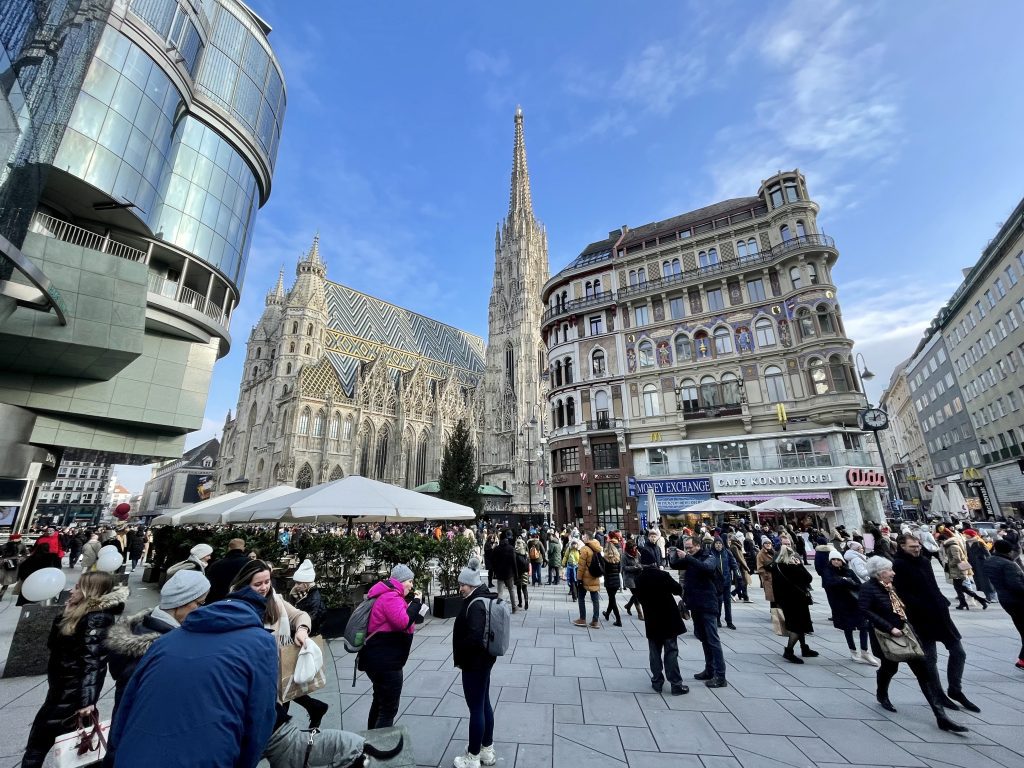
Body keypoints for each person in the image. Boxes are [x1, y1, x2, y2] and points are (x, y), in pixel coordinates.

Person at [105, 584, 278, 767]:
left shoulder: (166, 640)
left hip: (135, 754)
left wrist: (114, 754)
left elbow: (127, 702)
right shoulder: (262, 642)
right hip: (208, 757)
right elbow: (260, 716)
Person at [22, 572, 128, 768]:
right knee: (68, 744)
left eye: (78, 587)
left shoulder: (96, 618)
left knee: (38, 744)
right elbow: (53, 645)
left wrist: (87, 701)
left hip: (72, 693)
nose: (72, 590)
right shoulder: (81, 613)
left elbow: (93, 662)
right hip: (61, 689)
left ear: (91, 591)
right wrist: (64, 615)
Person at [858, 556, 968, 733]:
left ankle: (941, 716)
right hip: (885, 637)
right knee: (889, 668)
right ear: (879, 573)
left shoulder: (891, 588)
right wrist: (889, 627)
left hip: (906, 634)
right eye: (889, 570)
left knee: (923, 673)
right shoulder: (868, 588)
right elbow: (864, 609)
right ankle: (882, 694)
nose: (893, 573)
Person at [230, 560, 328, 729]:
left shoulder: (275, 600)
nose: (264, 587)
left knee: (277, 717)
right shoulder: (234, 606)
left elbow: (299, 615)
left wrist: (302, 629)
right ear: (245, 584)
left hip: (278, 667)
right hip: (253, 674)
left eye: (267, 582)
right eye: (258, 584)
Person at [892, 533, 980, 713]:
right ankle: (938, 693)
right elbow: (902, 593)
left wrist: (942, 601)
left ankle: (955, 689)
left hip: (940, 613)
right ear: (902, 546)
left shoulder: (924, 561)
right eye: (912, 547)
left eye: (917, 546)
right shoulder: (898, 565)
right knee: (930, 658)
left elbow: (933, 585)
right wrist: (917, 607)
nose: (916, 549)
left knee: (958, 652)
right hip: (920, 617)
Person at [105, 570, 210, 715]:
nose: (201, 609)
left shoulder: (143, 627)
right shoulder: (161, 645)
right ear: (181, 601)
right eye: (199, 603)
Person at [359, 564, 425, 730]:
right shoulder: (390, 597)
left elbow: (398, 620)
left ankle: (371, 743)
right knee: (388, 708)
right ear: (401, 581)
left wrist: (413, 611)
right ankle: (379, 750)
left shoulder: (389, 595)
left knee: (380, 701)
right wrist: (416, 603)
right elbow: (403, 622)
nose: (411, 585)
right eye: (409, 581)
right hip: (386, 661)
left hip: (381, 658)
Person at [452, 557, 497, 768]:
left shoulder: (476, 604)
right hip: (484, 662)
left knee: (476, 709)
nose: (460, 588)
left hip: (474, 664)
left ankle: (472, 757)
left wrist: (461, 652)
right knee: (484, 704)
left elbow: (474, 638)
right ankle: (487, 750)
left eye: (463, 584)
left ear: (473, 585)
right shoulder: (482, 597)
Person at [672, 536, 727, 687]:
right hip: (695, 604)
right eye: (686, 547)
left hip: (708, 604)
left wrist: (688, 557)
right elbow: (674, 564)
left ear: (698, 545)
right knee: (703, 638)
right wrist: (672, 553)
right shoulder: (692, 558)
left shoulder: (709, 557)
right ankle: (709, 670)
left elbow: (707, 568)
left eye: (690, 547)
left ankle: (720, 676)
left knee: (713, 640)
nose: (688, 550)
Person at [632, 547, 687, 695]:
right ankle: (676, 684)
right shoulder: (663, 575)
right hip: (668, 618)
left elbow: (640, 598)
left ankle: (657, 681)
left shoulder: (639, 579)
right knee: (671, 651)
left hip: (652, 620)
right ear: (654, 563)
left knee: (654, 652)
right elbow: (677, 590)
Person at [821, 549, 878, 666]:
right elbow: (829, 584)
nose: (836, 562)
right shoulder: (827, 572)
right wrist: (844, 581)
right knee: (848, 628)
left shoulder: (849, 571)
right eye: (834, 560)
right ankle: (853, 651)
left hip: (855, 603)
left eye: (838, 560)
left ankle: (865, 651)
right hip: (840, 605)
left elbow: (858, 585)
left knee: (863, 626)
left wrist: (846, 581)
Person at [771, 545, 817, 663]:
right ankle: (789, 651)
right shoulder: (792, 568)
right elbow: (808, 578)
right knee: (798, 626)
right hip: (797, 601)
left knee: (799, 625)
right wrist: (800, 565)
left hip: (785, 601)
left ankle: (804, 647)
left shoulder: (776, 567)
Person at [983, 539, 1024, 669]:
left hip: (1005, 600)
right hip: (1018, 601)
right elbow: (1016, 586)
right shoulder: (1008, 565)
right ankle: (1022, 660)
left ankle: (1022, 660)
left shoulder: (990, 561)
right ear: (1009, 551)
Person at [942, 530, 989, 610]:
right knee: (960, 588)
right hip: (957, 569)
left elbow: (957, 559)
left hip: (958, 569)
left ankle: (974, 601)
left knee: (959, 587)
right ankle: (973, 601)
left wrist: (949, 564)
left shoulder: (953, 546)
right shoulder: (952, 545)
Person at [16, 542, 62, 606]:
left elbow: (22, 568)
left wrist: (25, 578)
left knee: (28, 604)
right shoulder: (53, 557)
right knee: (44, 602)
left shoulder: (31, 558)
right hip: (45, 583)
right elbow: (58, 568)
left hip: (30, 584)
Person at [205, 538, 250, 603]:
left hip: (217, 602)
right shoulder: (250, 563)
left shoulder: (216, 565)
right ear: (243, 548)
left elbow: (209, 585)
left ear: (229, 548)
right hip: (241, 601)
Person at [289, 559, 326, 636]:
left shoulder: (314, 598)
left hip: (307, 632)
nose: (295, 586)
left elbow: (311, 618)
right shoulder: (296, 593)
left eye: (298, 583)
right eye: (295, 582)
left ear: (306, 584)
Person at [573, 534, 602, 628]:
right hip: (595, 575)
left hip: (585, 577)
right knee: (595, 600)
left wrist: (579, 578)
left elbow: (581, 567)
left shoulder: (585, 549)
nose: (582, 538)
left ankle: (582, 619)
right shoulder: (597, 547)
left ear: (588, 538)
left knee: (581, 598)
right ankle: (595, 621)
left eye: (584, 537)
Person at [711, 538, 738, 630]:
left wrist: (738, 576)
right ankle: (717, 619)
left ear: (723, 544)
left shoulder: (727, 552)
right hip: (716, 582)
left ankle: (729, 621)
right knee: (718, 602)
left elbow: (734, 564)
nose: (718, 545)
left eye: (720, 543)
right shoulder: (711, 553)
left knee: (727, 602)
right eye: (716, 543)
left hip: (727, 581)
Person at [964, 529, 996, 602]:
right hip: (973, 564)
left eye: (966, 534)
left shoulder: (979, 542)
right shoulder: (966, 543)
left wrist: (990, 562)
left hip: (981, 563)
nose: (964, 535)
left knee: (985, 580)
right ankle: (987, 596)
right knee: (978, 580)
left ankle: (992, 596)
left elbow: (987, 554)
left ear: (970, 535)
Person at [491, 534, 517, 611]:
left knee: (500, 591)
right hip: (509, 572)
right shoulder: (511, 548)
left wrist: (495, 571)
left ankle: (499, 607)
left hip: (499, 572)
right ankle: (514, 607)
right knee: (511, 589)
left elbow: (492, 561)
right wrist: (516, 573)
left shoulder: (496, 549)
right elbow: (514, 562)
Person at [601, 538, 623, 626]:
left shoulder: (605, 558)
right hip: (616, 580)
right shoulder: (617, 558)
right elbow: (619, 570)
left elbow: (604, 571)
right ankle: (607, 614)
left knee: (612, 600)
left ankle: (618, 620)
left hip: (609, 581)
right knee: (612, 598)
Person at [621, 539, 644, 620]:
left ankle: (628, 606)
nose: (635, 549)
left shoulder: (637, 553)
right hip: (629, 578)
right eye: (634, 547)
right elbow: (623, 567)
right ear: (630, 548)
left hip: (638, 576)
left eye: (635, 547)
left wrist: (641, 566)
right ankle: (640, 614)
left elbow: (641, 562)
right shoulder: (624, 555)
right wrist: (634, 567)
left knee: (636, 594)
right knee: (636, 595)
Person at [1, 533, 28, 600]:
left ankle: (1, 594)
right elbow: (25, 554)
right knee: (7, 580)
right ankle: (1, 594)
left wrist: (20, 559)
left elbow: (25, 554)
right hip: (11, 564)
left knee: (7, 580)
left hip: (10, 564)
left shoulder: (5, 545)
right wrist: (20, 559)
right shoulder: (21, 545)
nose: (20, 538)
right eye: (19, 537)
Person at [513, 536, 530, 610]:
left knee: (518, 588)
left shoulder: (515, 553)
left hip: (518, 573)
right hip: (525, 572)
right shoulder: (525, 552)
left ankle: (520, 603)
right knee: (524, 588)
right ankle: (526, 602)